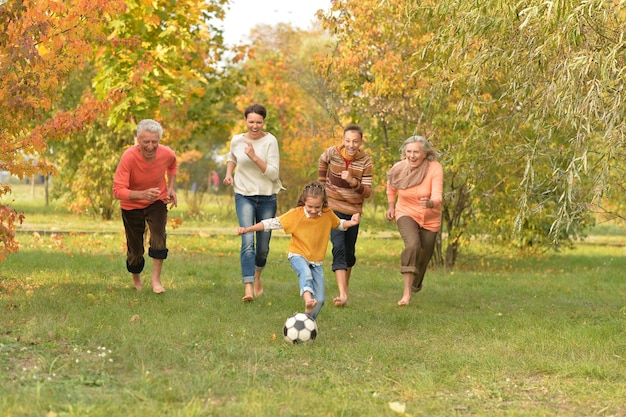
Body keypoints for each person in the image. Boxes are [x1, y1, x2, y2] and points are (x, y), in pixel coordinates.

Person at [237, 182, 360, 319]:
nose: (313, 210)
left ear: (323, 204)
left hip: (316, 261)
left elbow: (339, 224)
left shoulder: (327, 214)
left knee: (320, 299)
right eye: (310, 207)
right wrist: (248, 229)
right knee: (305, 273)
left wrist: (351, 223)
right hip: (298, 255)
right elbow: (270, 223)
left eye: (317, 207)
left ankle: (308, 320)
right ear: (304, 202)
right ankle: (307, 300)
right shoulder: (296, 214)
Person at [224, 104, 282, 302]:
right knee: (247, 240)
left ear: (264, 122)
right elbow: (231, 157)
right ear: (245, 121)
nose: (254, 126)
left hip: (267, 197)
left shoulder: (270, 141)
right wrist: (228, 175)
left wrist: (254, 157)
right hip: (244, 195)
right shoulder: (237, 140)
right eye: (251, 122)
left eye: (259, 122)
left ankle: (257, 276)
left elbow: (274, 173)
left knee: (263, 246)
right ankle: (248, 287)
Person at [113, 119, 178, 294]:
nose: (150, 146)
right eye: (146, 142)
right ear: (138, 141)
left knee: (158, 236)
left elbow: (173, 164)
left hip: (157, 200)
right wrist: (141, 194)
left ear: (159, 141)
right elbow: (117, 191)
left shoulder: (166, 153)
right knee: (135, 249)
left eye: (154, 142)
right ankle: (136, 277)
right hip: (131, 205)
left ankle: (156, 280)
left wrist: (171, 187)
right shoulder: (129, 157)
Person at [318, 124, 373, 307]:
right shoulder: (332, 153)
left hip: (353, 211)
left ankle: (344, 288)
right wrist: (321, 186)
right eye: (348, 140)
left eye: (355, 141)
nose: (351, 145)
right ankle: (342, 295)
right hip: (333, 207)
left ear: (361, 142)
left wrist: (352, 181)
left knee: (349, 252)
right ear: (343, 140)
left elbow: (367, 192)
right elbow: (322, 161)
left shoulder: (365, 161)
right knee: (338, 247)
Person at [385, 135, 443, 306]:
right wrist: (391, 206)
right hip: (406, 212)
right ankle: (406, 294)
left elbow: (438, 196)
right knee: (412, 245)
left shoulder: (434, 168)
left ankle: (415, 285)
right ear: (404, 153)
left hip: (430, 217)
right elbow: (391, 185)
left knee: (424, 255)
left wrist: (431, 202)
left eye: (416, 152)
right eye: (409, 152)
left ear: (425, 153)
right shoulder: (399, 168)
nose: (412, 156)